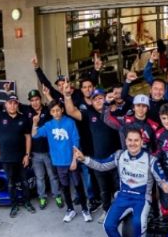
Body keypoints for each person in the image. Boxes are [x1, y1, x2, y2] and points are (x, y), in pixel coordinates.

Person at [77, 129, 168, 237]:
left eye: (136, 140)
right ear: (126, 141)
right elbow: (102, 165)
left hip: (141, 198)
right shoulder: (119, 155)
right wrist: (84, 159)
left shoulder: (150, 160)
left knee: (137, 223)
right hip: (123, 196)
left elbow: (162, 179)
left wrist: (165, 185)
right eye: (130, 140)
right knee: (108, 225)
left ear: (141, 142)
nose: (133, 143)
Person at [65, 87, 121, 219]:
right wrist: (67, 96)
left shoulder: (113, 111)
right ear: (91, 102)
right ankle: (106, 211)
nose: (98, 101)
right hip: (98, 159)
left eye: (100, 98)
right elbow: (71, 111)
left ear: (105, 98)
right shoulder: (88, 113)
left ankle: (119, 212)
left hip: (116, 158)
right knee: (104, 190)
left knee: (119, 189)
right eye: (94, 99)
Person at [33, 101, 91, 222]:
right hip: (58, 162)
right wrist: (34, 123)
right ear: (50, 112)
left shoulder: (70, 122)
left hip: (71, 161)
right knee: (64, 187)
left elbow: (76, 141)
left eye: (58, 110)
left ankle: (85, 209)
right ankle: (70, 209)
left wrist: (74, 160)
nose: (56, 113)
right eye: (53, 111)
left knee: (78, 185)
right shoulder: (49, 125)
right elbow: (35, 135)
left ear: (62, 110)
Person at [0, 91, 33, 218]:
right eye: (10, 103)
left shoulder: (23, 118)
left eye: (15, 103)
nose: (12, 105)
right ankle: (14, 205)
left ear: (17, 105)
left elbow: (28, 137)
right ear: (6, 104)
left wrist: (27, 154)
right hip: (6, 158)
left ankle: (27, 202)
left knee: (24, 182)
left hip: (21, 157)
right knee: (10, 183)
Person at [24, 90, 62, 209]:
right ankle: (42, 197)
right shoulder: (28, 112)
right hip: (35, 153)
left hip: (49, 151)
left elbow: (55, 105)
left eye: (37, 99)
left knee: (53, 176)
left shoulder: (47, 110)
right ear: (30, 102)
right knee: (39, 177)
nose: (35, 103)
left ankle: (57, 195)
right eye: (32, 100)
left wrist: (47, 94)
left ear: (40, 99)